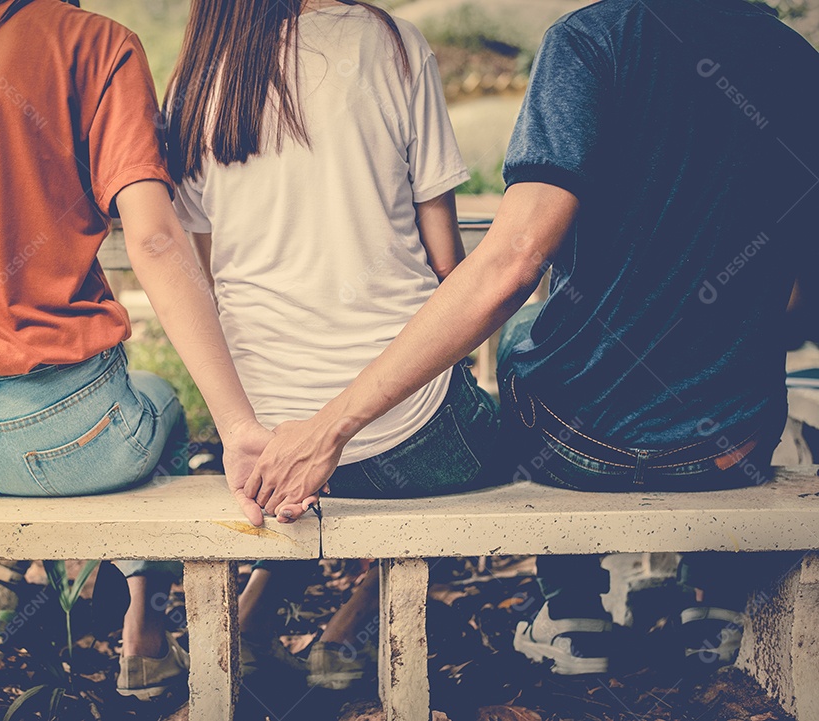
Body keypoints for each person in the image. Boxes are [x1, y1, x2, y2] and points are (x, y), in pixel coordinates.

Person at [246, 0, 819, 676]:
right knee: (734, 355)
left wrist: (332, 425)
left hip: (583, 448)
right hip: (729, 451)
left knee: (525, 335)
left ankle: (571, 611)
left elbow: (515, 259)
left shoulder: (590, 43)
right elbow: (799, 305)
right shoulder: (795, 61)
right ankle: (713, 603)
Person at [0, 0, 272, 700]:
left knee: (90, 421)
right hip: (73, 440)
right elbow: (156, 238)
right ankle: (141, 628)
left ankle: (48, 579)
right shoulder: (97, 45)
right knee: (162, 404)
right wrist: (238, 427)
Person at [159, 0, 500, 692]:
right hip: (408, 441)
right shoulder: (394, 45)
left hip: (264, 447)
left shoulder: (196, 76)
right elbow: (448, 269)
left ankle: (258, 610)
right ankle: (354, 622)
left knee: (324, 454)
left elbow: (206, 278)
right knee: (507, 430)